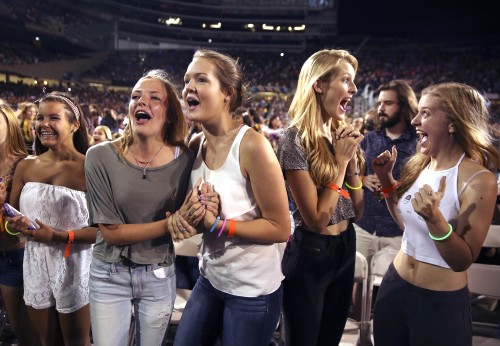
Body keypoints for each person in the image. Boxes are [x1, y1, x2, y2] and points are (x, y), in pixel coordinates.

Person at [173, 49, 290, 346]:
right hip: (211, 279)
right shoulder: (196, 143)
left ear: (227, 93)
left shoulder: (253, 146)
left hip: (252, 293)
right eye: (187, 80)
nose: (189, 87)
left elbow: (280, 228)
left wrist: (218, 226)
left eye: (201, 79)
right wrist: (193, 217)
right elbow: (200, 220)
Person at [85, 69, 207, 345]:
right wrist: (169, 224)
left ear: (169, 113)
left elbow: (189, 221)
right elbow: (112, 233)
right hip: (108, 274)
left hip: (158, 274)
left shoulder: (187, 159)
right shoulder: (100, 156)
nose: (142, 102)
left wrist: (197, 212)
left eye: (154, 98)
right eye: (135, 96)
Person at [372, 82, 499, 345]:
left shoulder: (479, 179)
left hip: (439, 303)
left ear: (453, 123)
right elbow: (406, 225)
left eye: (426, 113)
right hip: (394, 287)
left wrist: (435, 220)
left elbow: (461, 260)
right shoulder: (421, 164)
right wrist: (386, 181)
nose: (415, 120)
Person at [276, 49, 365, 346]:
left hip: (346, 245)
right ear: (319, 84)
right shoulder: (293, 138)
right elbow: (316, 219)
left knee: (330, 340)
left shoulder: (340, 133)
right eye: (346, 80)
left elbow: (357, 212)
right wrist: (340, 165)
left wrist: (352, 169)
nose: (353, 89)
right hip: (311, 252)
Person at [8, 92, 97, 345]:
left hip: (76, 268)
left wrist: (57, 236)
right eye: (40, 118)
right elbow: (10, 221)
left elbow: (105, 231)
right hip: (35, 265)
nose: (43, 124)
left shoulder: (91, 167)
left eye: (54, 118)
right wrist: (14, 226)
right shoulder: (26, 166)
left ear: (75, 124)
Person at [355, 80, 418, 263]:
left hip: (398, 230)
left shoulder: (418, 143)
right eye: (380, 103)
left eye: (388, 103)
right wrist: (363, 179)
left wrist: (396, 186)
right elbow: (345, 175)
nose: (381, 108)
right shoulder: (368, 139)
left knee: (389, 287)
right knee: (356, 282)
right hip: (364, 226)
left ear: (404, 105)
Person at [0, 99, 39, 346]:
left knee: (26, 332)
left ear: (9, 124)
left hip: (15, 257)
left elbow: (26, 218)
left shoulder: (25, 165)